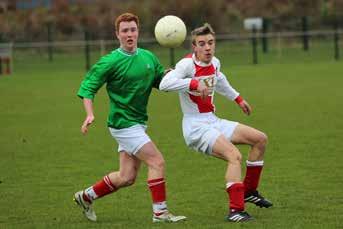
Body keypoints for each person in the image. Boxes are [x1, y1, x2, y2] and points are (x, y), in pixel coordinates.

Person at [73, 12, 186, 223]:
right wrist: (89, 114)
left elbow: (159, 80)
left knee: (126, 177)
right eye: (124, 30)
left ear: (138, 32)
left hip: (138, 123)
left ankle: (86, 196)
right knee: (157, 161)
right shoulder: (110, 62)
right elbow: (87, 88)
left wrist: (174, 75)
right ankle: (160, 213)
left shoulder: (148, 57)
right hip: (123, 124)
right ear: (117, 34)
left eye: (132, 29)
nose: (129, 34)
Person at [159, 23, 272, 222]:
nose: (207, 47)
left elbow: (219, 80)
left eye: (210, 43)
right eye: (202, 44)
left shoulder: (215, 62)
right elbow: (165, 84)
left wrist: (238, 99)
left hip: (213, 121)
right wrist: (193, 82)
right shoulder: (186, 65)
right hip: (195, 127)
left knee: (260, 139)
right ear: (194, 47)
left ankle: (249, 191)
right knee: (234, 156)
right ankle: (236, 211)